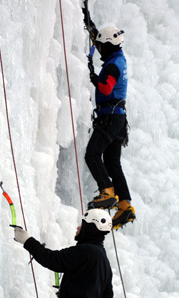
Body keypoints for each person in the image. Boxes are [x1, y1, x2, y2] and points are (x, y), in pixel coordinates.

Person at [82, 1, 136, 230]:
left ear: (110, 46)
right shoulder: (118, 58)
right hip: (119, 120)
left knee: (92, 155)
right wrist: (88, 22)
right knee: (112, 162)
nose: (100, 49)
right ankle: (125, 205)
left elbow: (105, 88)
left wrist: (93, 77)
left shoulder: (113, 65)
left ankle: (107, 191)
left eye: (103, 47)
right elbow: (99, 40)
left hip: (110, 117)